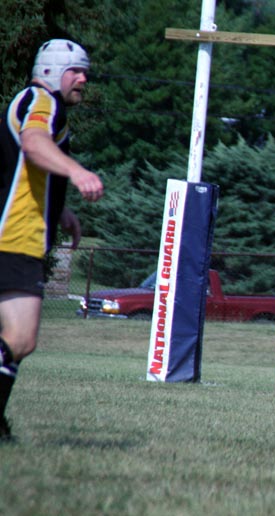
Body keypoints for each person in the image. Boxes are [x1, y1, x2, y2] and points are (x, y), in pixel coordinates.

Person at [0, 39, 104, 440]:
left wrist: (58, 209)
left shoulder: (34, 103)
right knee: (20, 338)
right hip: (12, 238)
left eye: (85, 73)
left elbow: (18, 168)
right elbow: (33, 143)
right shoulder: (42, 101)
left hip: (16, 236)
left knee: (17, 340)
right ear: (50, 71)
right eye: (75, 71)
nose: (83, 79)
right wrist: (77, 172)